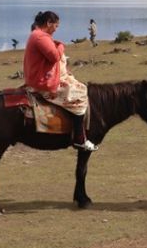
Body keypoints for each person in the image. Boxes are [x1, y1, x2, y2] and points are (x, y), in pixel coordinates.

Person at [24, 11, 96, 151]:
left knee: (77, 86)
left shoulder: (38, 35)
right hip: (42, 83)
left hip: (37, 78)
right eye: (56, 25)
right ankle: (80, 138)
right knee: (80, 93)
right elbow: (54, 56)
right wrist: (61, 45)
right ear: (49, 23)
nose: (56, 29)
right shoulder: (40, 37)